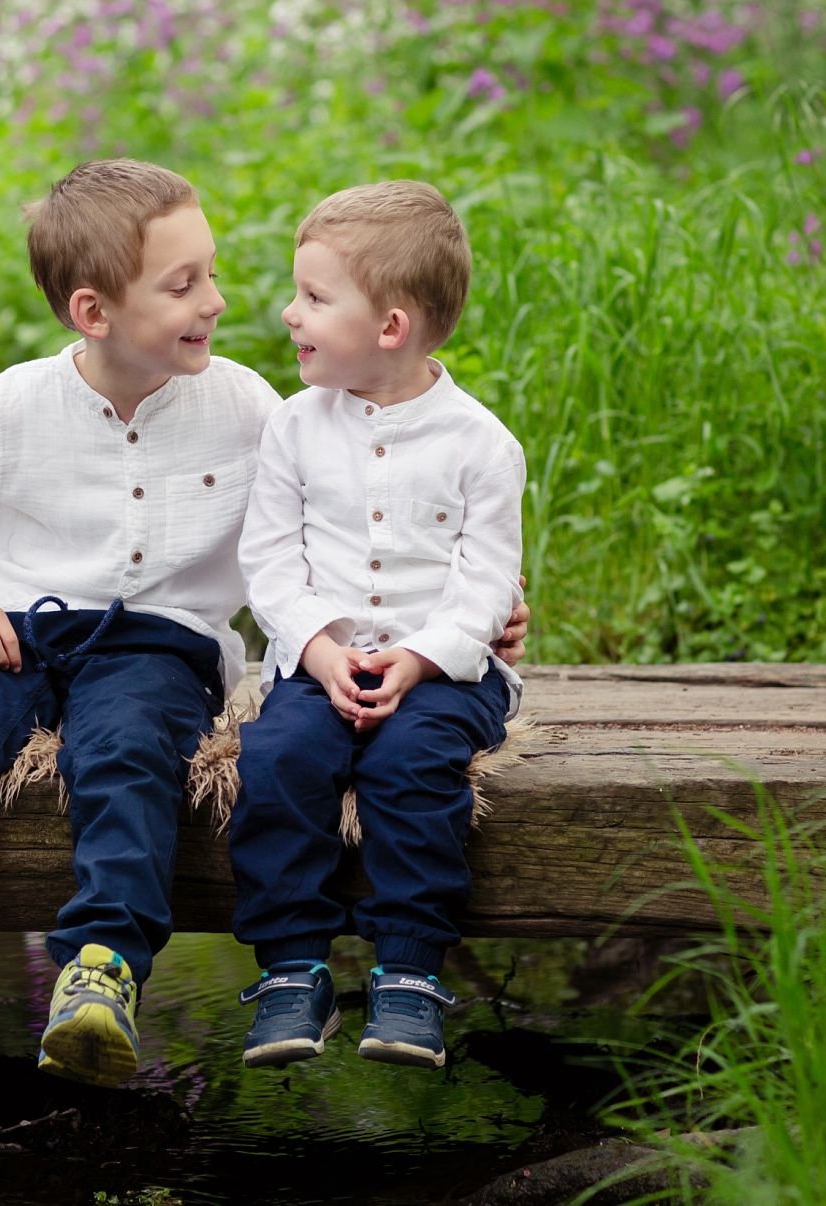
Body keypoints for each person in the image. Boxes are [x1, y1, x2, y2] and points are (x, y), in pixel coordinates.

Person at [0, 159, 530, 1119]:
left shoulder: (254, 409)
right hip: (15, 631)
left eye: (208, 272)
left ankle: (101, 971)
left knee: (122, 748)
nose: (218, 298)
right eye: (185, 283)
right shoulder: (17, 405)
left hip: (158, 647)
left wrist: (466, 608)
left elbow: (351, 502)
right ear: (94, 312)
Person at [229, 181, 524, 1073]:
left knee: (411, 767)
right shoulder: (293, 427)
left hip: (447, 676)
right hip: (316, 660)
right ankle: (291, 970)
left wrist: (421, 659)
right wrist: (318, 651)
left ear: (389, 328)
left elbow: (486, 581)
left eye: (315, 298)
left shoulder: (481, 444)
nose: (290, 313)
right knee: (281, 759)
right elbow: (270, 558)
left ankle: (408, 973)